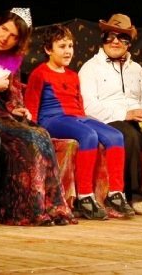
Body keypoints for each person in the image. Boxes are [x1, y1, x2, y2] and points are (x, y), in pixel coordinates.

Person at [0, 8, 75, 226]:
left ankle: (52, 207)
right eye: (4, 29)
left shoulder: (13, 58)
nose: (5, 37)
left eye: (13, 36)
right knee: (27, 139)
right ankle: (26, 211)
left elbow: (13, 92)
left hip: (0, 110)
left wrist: (17, 108)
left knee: (41, 134)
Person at [24, 24, 134, 220]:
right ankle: (85, 197)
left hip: (76, 117)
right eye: (62, 46)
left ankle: (115, 193)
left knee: (115, 135)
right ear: (48, 49)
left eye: (70, 46)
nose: (68, 51)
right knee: (88, 135)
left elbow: (79, 105)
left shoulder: (73, 76)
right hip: (52, 119)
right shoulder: (40, 73)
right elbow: (31, 106)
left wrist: (85, 120)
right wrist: (33, 130)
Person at [78, 13, 142, 216]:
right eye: (110, 36)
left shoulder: (136, 69)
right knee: (129, 136)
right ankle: (133, 196)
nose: (115, 42)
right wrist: (125, 113)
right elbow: (89, 106)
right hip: (108, 121)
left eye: (122, 37)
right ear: (103, 38)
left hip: (137, 119)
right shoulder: (90, 68)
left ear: (129, 43)